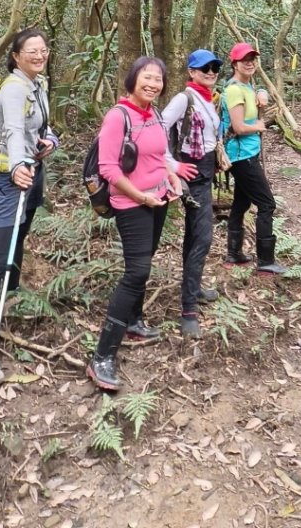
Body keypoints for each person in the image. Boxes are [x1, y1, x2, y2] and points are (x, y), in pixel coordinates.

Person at [87, 57, 195, 391]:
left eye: (158, 79)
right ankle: (102, 355)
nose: (153, 84)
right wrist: (140, 196)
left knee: (144, 259)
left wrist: (172, 178)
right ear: (133, 79)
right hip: (131, 203)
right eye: (147, 78)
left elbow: (159, 157)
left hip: (158, 198)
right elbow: (108, 169)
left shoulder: (155, 116)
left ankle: (133, 321)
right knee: (137, 272)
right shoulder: (118, 116)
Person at [0, 27, 60, 388]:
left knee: (19, 239)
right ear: (16, 56)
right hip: (6, 180)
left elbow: (39, 130)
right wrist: (19, 165)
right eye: (31, 51)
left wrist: (50, 141)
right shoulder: (14, 87)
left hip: (29, 174)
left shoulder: (39, 86)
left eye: (43, 49)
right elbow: (15, 131)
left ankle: (11, 294)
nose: (39, 54)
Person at [162, 49, 223, 340]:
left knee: (193, 234)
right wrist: (172, 164)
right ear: (191, 71)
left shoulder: (210, 99)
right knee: (203, 236)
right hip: (191, 173)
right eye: (204, 68)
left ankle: (194, 287)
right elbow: (159, 127)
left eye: (215, 67)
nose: (211, 72)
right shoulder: (183, 98)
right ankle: (187, 310)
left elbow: (211, 136)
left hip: (207, 170)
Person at [220, 42, 287, 275]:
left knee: (241, 203)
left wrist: (262, 94)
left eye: (252, 59)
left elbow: (254, 100)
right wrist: (259, 124)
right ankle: (266, 260)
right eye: (244, 59)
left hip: (247, 154)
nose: (249, 63)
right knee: (267, 204)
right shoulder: (234, 89)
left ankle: (234, 254)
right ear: (234, 63)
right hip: (241, 156)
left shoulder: (246, 86)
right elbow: (238, 127)